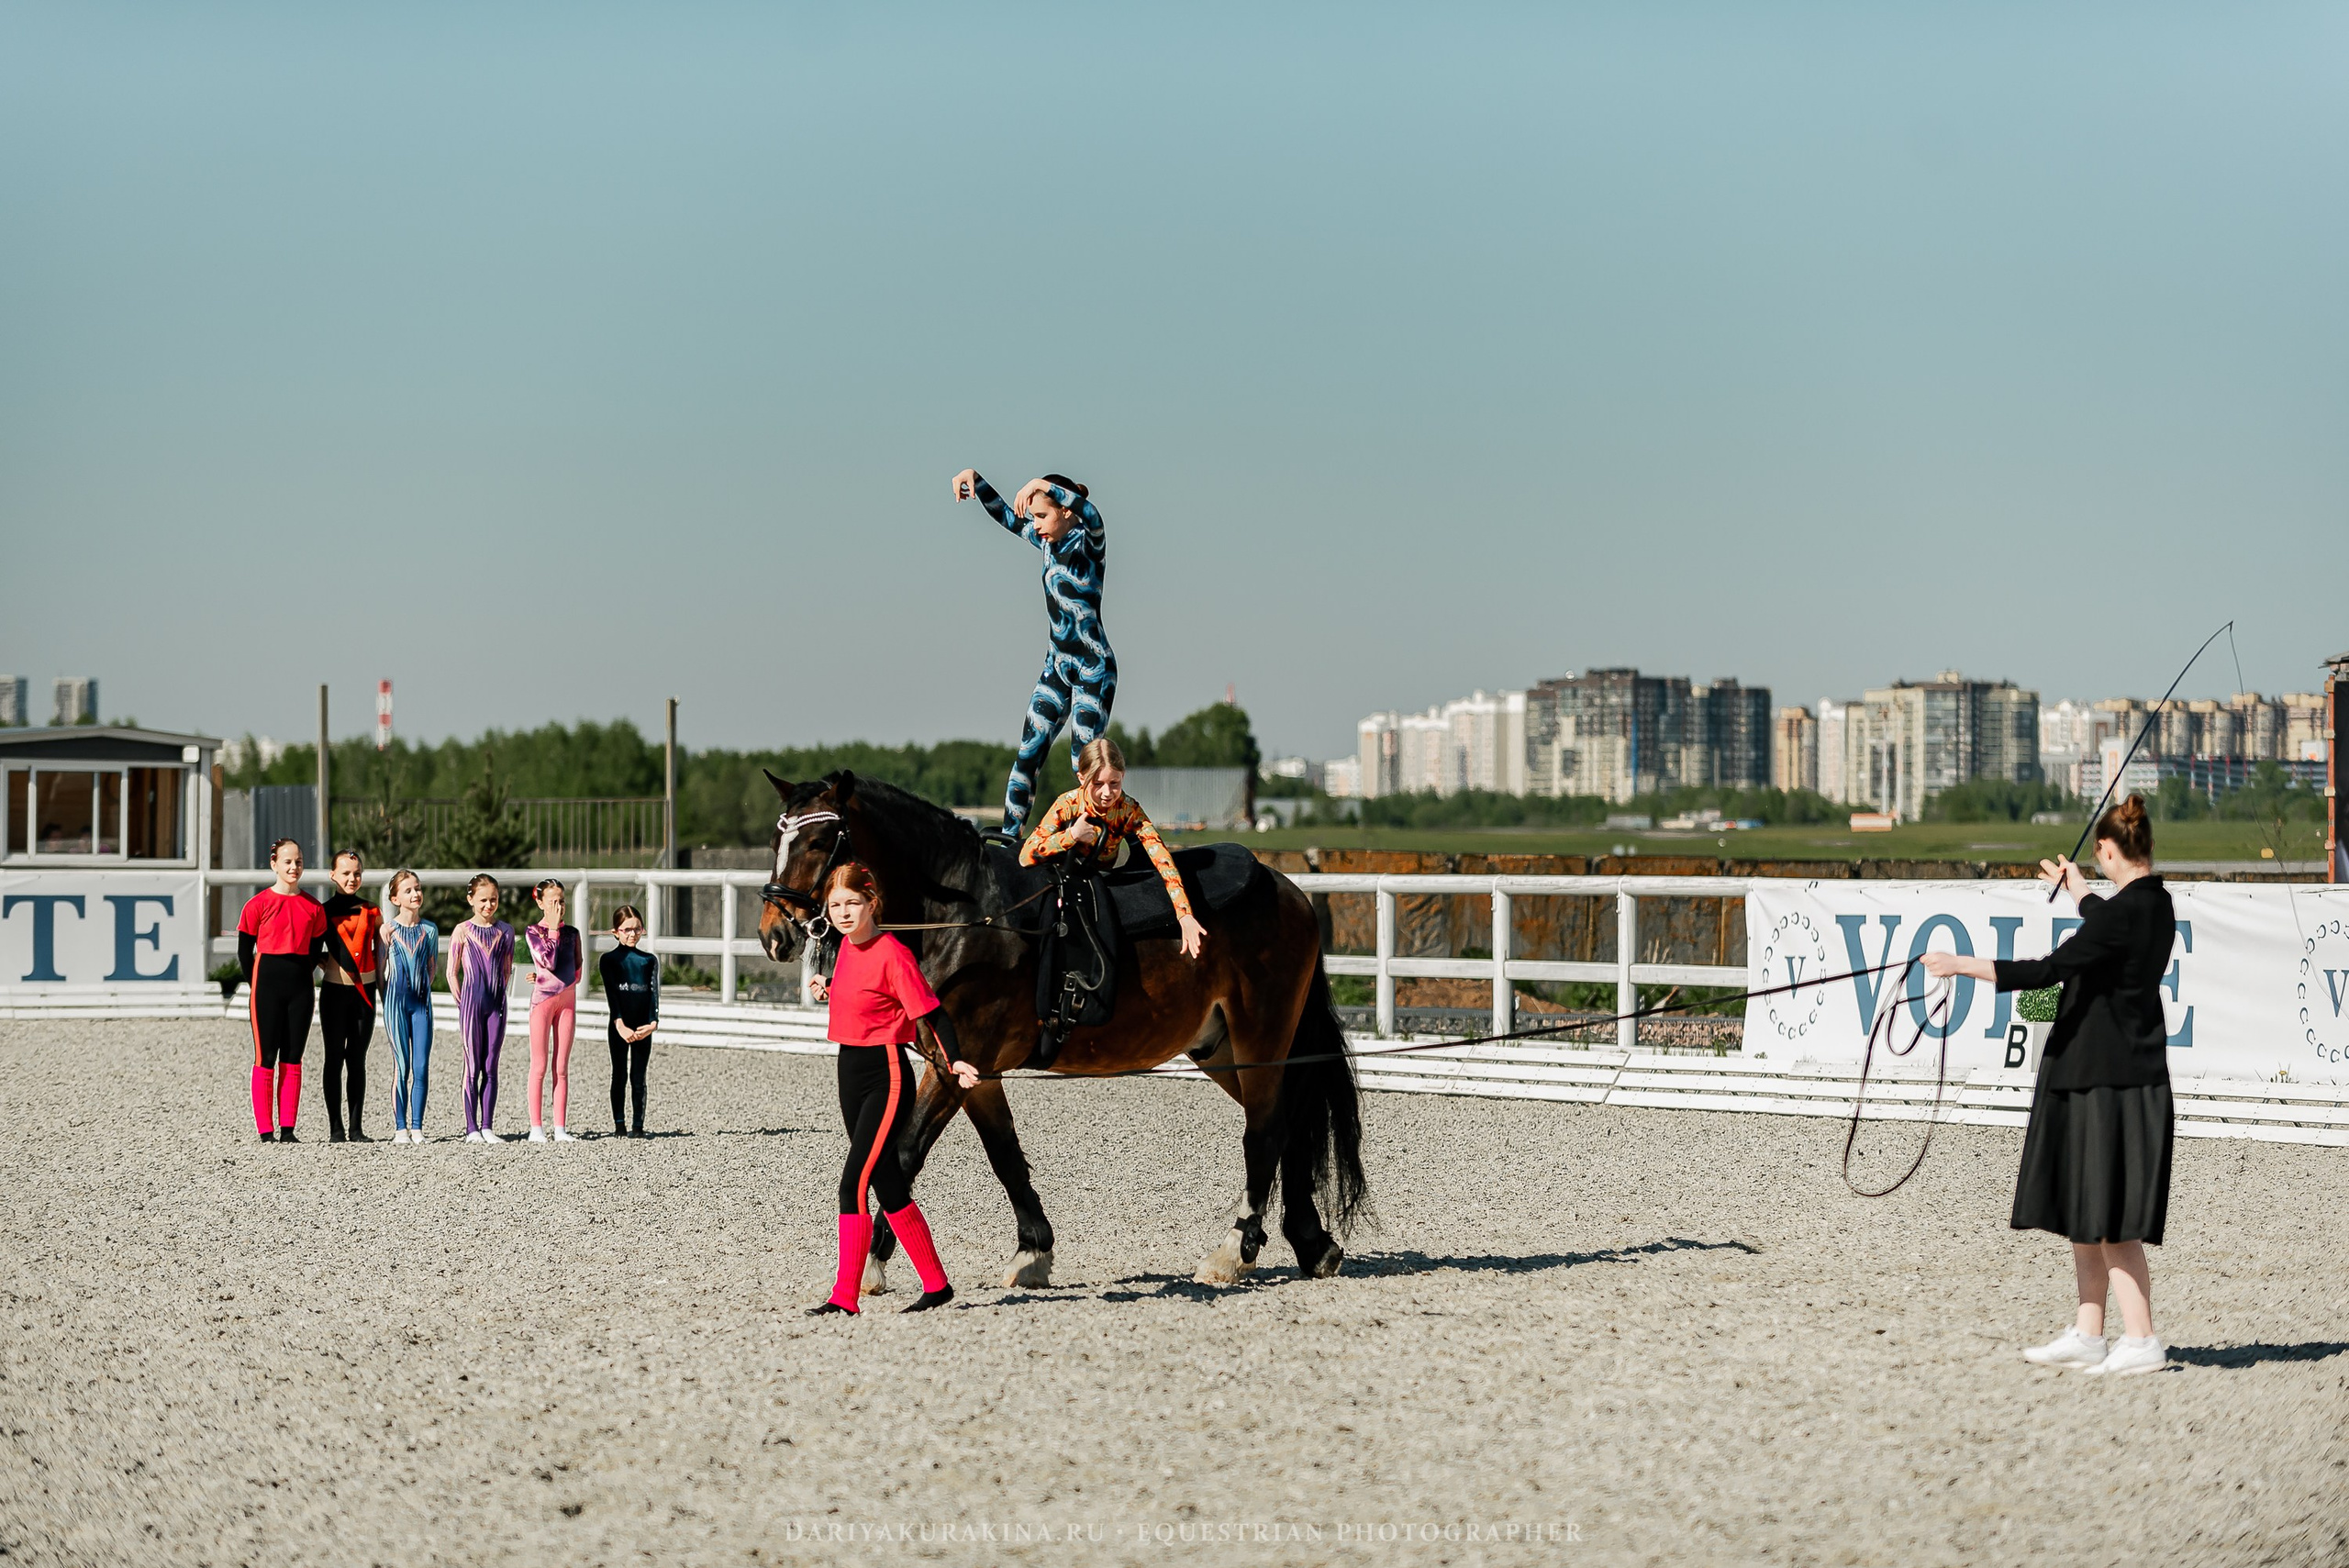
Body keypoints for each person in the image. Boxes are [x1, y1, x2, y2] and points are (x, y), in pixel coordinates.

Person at [1923, 794, 2176, 1378]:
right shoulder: (2151, 905)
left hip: (2112, 1085)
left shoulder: (2122, 917)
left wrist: (1959, 964)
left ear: (2110, 850)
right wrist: (2080, 887)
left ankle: (2141, 1340)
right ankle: (2091, 1333)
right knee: (2085, 1210)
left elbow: (2043, 971)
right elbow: (2103, 917)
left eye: (2100, 856)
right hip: (2093, 1077)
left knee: (2112, 1221)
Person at [802, 862, 980, 1316]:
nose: (843, 912)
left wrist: (955, 1059)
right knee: (888, 1184)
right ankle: (937, 1285)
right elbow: (862, 994)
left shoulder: (893, 953)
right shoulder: (844, 948)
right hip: (849, 1068)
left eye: (852, 904)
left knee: (852, 1184)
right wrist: (830, 985)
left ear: (871, 904)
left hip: (886, 1073)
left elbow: (933, 1013)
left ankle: (844, 1297)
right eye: (836, 905)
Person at [1018, 737, 1207, 1068]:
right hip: (1063, 877)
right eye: (1098, 784)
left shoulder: (1128, 809)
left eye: (1115, 784)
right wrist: (1070, 837)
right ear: (1082, 779)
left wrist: (1185, 915)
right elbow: (1026, 855)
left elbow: (1161, 858)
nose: (1107, 793)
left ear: (1123, 778)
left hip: (1103, 879)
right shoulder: (1066, 804)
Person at [950, 466, 1114, 840]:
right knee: (1028, 755)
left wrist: (1043, 485)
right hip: (1056, 666)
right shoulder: (1045, 543)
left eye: (1043, 515)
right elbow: (1008, 517)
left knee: (1082, 763)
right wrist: (977, 481)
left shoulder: (1090, 543)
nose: (1035, 523)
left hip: (1092, 668)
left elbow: (1093, 515)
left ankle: (1087, 839)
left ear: (1066, 512)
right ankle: (1011, 838)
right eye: (1035, 517)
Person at [238, 838, 328, 1143]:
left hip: (300, 988)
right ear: (274, 864)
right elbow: (243, 951)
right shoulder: (257, 905)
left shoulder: (314, 908)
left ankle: (288, 1128)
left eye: (299, 861)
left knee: (293, 1056)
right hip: (266, 987)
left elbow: (316, 951)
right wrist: (256, 986)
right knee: (266, 1056)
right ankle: (266, 1130)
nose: (294, 867)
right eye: (287, 861)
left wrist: (304, 981)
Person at [317, 849, 384, 1143]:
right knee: (333, 1059)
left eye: (356, 873)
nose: (351, 878)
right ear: (333, 875)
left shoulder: (372, 910)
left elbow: (383, 949)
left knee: (357, 1060)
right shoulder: (323, 911)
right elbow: (310, 949)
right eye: (345, 873)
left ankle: (356, 1128)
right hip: (334, 994)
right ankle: (335, 1129)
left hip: (364, 996)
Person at [447, 873, 516, 1145]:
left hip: (496, 1004)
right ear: (471, 899)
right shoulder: (462, 930)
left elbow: (507, 969)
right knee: (472, 1066)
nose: (489, 905)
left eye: (494, 900)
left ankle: (488, 1125)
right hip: (471, 1005)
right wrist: (462, 1002)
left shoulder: (506, 931)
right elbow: (451, 972)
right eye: (483, 900)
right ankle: (471, 1127)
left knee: (491, 1065)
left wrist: (499, 995)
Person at [522, 879, 583, 1143]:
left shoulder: (573, 933)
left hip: (567, 1001)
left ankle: (560, 1127)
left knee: (561, 1067)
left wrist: (551, 976)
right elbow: (548, 959)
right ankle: (536, 1127)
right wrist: (554, 932)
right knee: (540, 1065)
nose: (559, 907)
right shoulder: (534, 931)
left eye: (562, 902)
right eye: (553, 902)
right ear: (540, 903)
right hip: (543, 1003)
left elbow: (577, 969)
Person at [381, 869, 438, 1144]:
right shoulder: (387, 929)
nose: (415, 894)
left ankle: (417, 1127)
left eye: (417, 888)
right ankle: (400, 1128)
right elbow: (381, 970)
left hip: (421, 1005)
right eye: (408, 890)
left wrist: (422, 991)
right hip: (396, 1005)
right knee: (401, 1068)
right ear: (395, 898)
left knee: (422, 1066)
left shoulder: (430, 930)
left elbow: (431, 968)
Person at [599, 904, 660, 1139]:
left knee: (638, 1077)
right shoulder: (609, 960)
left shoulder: (649, 960)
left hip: (644, 1026)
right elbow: (612, 995)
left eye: (636, 929)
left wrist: (653, 1023)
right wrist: (619, 1023)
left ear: (642, 930)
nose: (632, 934)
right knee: (619, 1074)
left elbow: (653, 992)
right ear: (616, 932)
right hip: (620, 1026)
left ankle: (638, 1126)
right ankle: (619, 1125)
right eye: (626, 930)